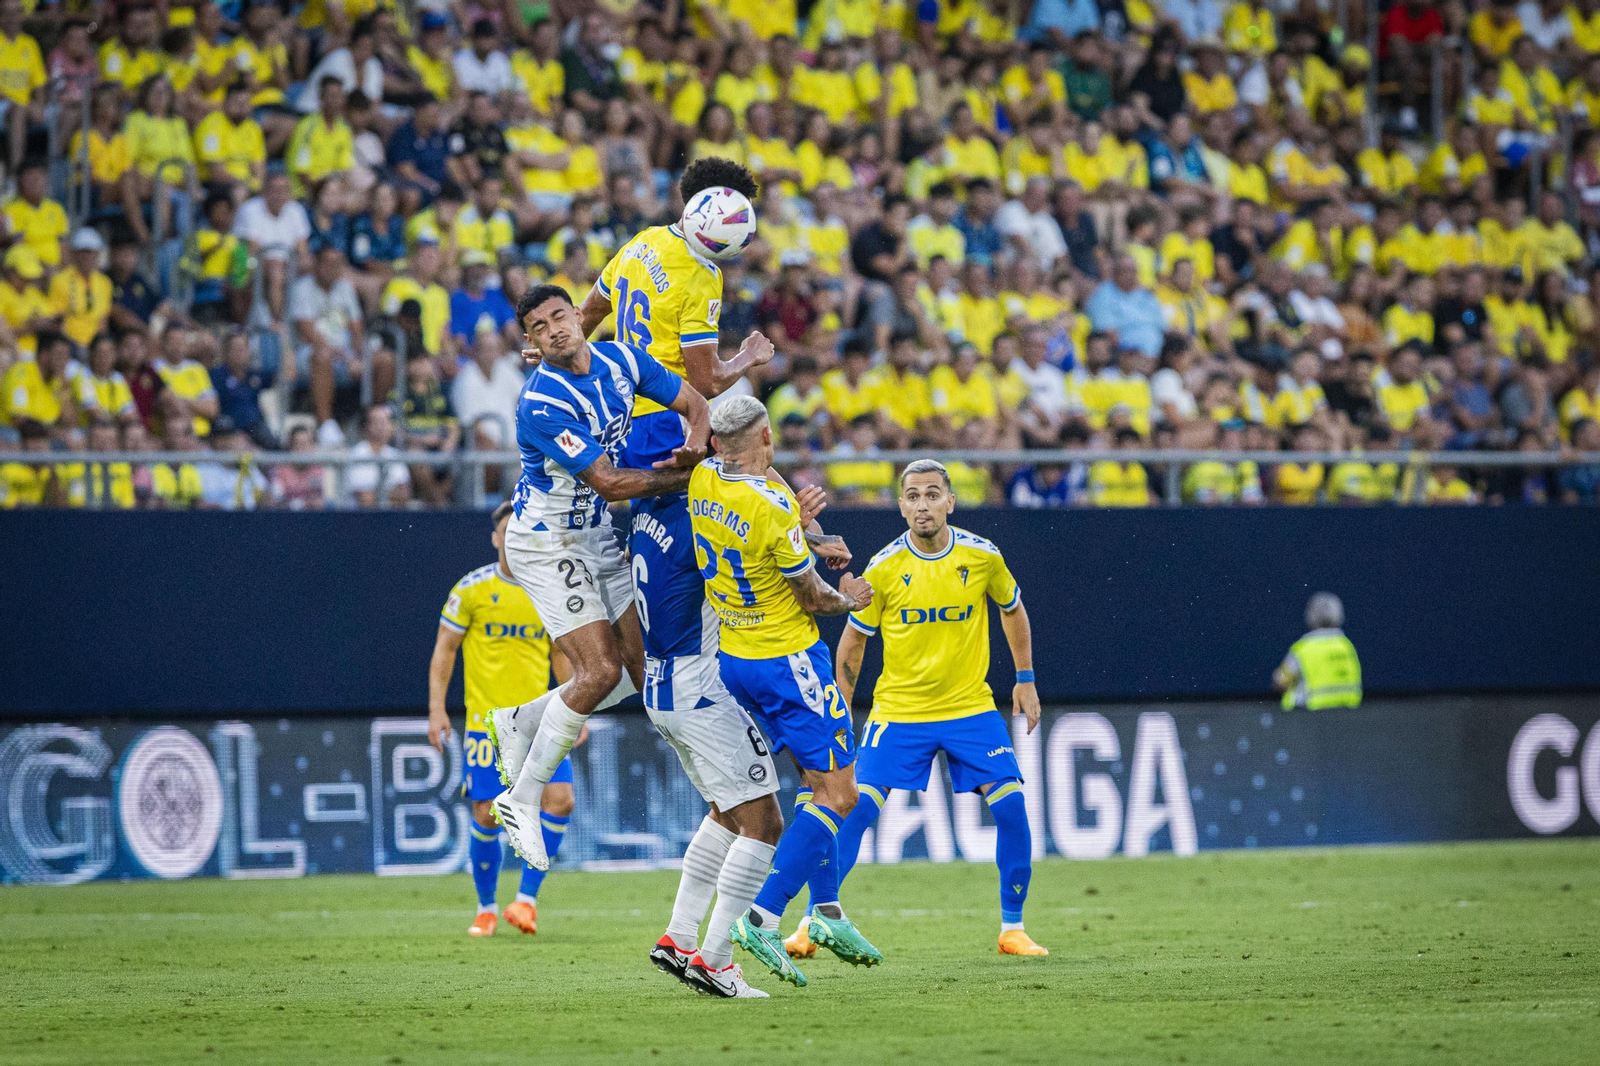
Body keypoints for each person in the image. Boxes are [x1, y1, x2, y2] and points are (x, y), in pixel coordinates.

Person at [488, 284, 711, 878]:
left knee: (643, 668)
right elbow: (611, 484)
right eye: (539, 327)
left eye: (560, 315)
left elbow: (696, 404)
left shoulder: (623, 361)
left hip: (594, 536)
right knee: (601, 671)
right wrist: (691, 480)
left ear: (578, 318)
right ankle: (522, 795)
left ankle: (524, 717)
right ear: (532, 344)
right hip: (545, 541)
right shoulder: (541, 402)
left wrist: (694, 450)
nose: (554, 328)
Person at [786, 458, 1048, 960]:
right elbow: (852, 645)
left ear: (950, 501)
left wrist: (1026, 680)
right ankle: (813, 920)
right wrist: (838, 708)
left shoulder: (983, 557)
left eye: (933, 494)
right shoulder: (883, 568)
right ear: (901, 505)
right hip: (900, 712)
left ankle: (1012, 929)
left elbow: (1012, 608)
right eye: (913, 496)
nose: (923, 504)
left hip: (970, 709)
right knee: (855, 810)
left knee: (1012, 808)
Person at [689, 394, 881, 992]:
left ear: (718, 443)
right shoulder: (773, 507)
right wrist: (847, 595)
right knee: (840, 793)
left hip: (734, 658)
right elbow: (811, 596)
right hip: (789, 661)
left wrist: (809, 530)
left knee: (796, 787)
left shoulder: (700, 479)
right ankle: (763, 917)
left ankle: (824, 911)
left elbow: (756, 480)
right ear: (767, 434)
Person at [428, 501, 577, 938]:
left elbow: (560, 655)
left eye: (521, 532)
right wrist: (437, 709)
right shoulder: (471, 590)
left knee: (561, 799)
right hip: (488, 724)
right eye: (506, 532)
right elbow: (444, 652)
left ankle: (526, 901)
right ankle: (486, 908)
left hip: (542, 720)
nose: (513, 539)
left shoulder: (548, 590)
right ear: (496, 538)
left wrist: (576, 707)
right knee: (488, 814)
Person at [1274, 591, 1363, 710]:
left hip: (1308, 716)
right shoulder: (1346, 646)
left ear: (1311, 616)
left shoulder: (1304, 648)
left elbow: (1280, 682)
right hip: (1348, 716)